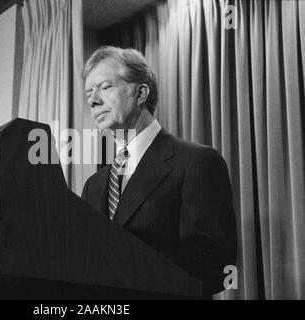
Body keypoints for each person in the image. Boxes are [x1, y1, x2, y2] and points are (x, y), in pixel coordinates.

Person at [81, 46, 237, 296]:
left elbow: (215, 265)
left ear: (141, 92)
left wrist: (128, 265)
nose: (92, 100)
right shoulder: (94, 185)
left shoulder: (196, 161)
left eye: (105, 87)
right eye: (89, 92)